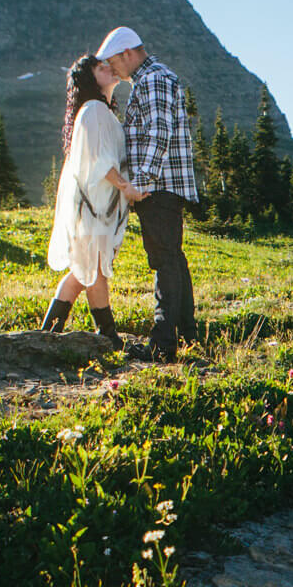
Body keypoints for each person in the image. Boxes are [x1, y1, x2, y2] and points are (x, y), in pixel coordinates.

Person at [95, 26, 198, 362]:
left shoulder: (152, 80)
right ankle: (187, 337)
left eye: (114, 62)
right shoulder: (154, 77)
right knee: (173, 259)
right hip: (166, 184)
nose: (113, 70)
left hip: (159, 186)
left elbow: (158, 133)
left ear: (127, 53)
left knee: (164, 260)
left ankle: (163, 345)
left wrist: (141, 181)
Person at [40, 53, 144, 346]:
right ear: (90, 78)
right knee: (94, 269)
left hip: (95, 206)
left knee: (82, 270)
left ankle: (48, 335)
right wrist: (125, 187)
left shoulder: (99, 111)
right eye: (102, 68)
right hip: (93, 207)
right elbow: (99, 160)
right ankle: (110, 339)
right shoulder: (95, 110)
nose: (110, 70)